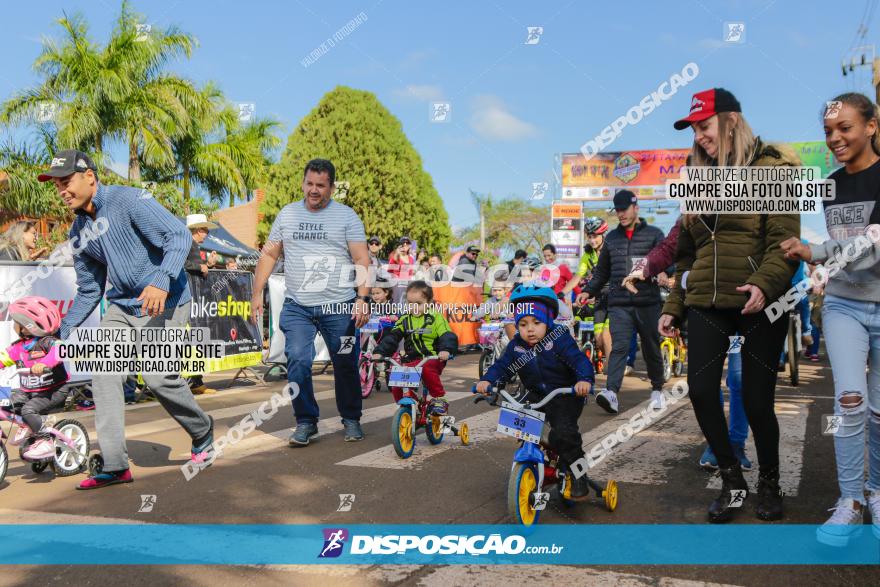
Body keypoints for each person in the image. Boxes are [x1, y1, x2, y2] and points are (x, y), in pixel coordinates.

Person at [659, 88, 800, 523]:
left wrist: (763, 283)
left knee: (757, 402)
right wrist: (674, 304)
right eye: (694, 130)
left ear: (731, 121)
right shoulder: (695, 174)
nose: (699, 137)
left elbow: (784, 242)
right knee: (700, 393)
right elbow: (686, 254)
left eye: (705, 126)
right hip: (706, 299)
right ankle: (732, 480)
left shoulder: (772, 167)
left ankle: (771, 483)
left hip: (760, 301)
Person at [40, 149, 214, 490]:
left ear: (89, 176)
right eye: (57, 185)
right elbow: (89, 290)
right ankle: (116, 465)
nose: (62, 191)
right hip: (121, 306)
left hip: (168, 300)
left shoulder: (130, 200)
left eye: (66, 182)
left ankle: (202, 430)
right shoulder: (78, 234)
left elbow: (177, 237)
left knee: (157, 376)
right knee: (104, 375)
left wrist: (161, 280)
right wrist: (64, 331)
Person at [780, 93, 880, 545]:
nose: (835, 138)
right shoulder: (830, 185)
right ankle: (850, 500)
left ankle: (877, 492)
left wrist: (814, 252)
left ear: (872, 127)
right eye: (828, 132)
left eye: (845, 128)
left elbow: (865, 252)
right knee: (850, 401)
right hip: (842, 306)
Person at [250, 158, 371, 446]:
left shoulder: (346, 216)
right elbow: (269, 254)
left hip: (340, 307)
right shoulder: (288, 214)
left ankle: (351, 418)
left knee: (345, 363)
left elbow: (361, 258)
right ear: (303, 183)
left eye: (321, 185)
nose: (314, 190)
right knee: (297, 360)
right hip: (298, 307)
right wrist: (257, 292)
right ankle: (306, 421)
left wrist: (362, 298)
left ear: (331, 187)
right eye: (309, 184)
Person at [623, 217, 752, 471]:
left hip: (745, 307)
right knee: (702, 384)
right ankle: (717, 444)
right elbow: (675, 252)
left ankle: (737, 442)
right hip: (706, 308)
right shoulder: (690, 215)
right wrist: (644, 268)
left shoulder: (748, 201)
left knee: (738, 379)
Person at [475, 283, 594, 498]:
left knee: (565, 434)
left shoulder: (559, 339)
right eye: (523, 324)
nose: (529, 329)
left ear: (548, 320)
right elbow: (501, 366)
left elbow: (579, 361)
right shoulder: (517, 345)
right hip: (535, 394)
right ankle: (534, 457)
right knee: (521, 423)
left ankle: (579, 475)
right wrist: (487, 380)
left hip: (564, 394)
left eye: (536, 322)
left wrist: (583, 380)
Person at [581, 190, 667, 415]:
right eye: (617, 210)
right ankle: (611, 392)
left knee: (650, 345)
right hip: (619, 303)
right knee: (618, 345)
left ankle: (657, 389)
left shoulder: (654, 235)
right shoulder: (612, 239)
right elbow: (601, 273)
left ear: (636, 208)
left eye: (624, 209)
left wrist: (667, 276)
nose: (621, 214)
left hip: (647, 302)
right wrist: (588, 291)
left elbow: (668, 266)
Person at [372, 281, 458, 414]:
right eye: (410, 304)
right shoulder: (404, 319)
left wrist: (446, 350)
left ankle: (439, 398)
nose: (414, 307)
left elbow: (447, 335)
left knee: (426, 368)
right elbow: (392, 338)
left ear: (429, 302)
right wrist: (380, 352)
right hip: (411, 360)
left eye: (418, 303)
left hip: (432, 357)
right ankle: (409, 408)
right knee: (397, 380)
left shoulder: (436, 318)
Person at [0, 297, 69, 460]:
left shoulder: (47, 342)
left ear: (28, 326)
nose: (14, 325)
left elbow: (61, 349)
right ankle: (27, 425)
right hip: (30, 392)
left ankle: (45, 442)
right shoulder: (19, 346)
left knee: (28, 409)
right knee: (8, 401)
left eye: (17, 322)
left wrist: (45, 363)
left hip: (53, 391)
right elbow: (4, 358)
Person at [566, 217, 612, 362]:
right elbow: (578, 276)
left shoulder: (611, 249)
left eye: (596, 236)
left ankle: (613, 370)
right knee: (598, 340)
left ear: (602, 235)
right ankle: (615, 359)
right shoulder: (587, 255)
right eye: (590, 237)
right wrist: (561, 292)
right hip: (599, 299)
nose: (592, 240)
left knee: (606, 335)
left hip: (615, 297)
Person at [183, 214, 219, 396]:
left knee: (196, 338)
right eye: (205, 230)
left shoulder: (194, 245)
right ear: (198, 230)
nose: (206, 234)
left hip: (195, 299)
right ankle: (192, 381)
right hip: (187, 298)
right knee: (191, 338)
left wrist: (208, 265)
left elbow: (196, 268)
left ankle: (196, 381)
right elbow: (181, 263)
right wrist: (201, 267)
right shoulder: (185, 242)